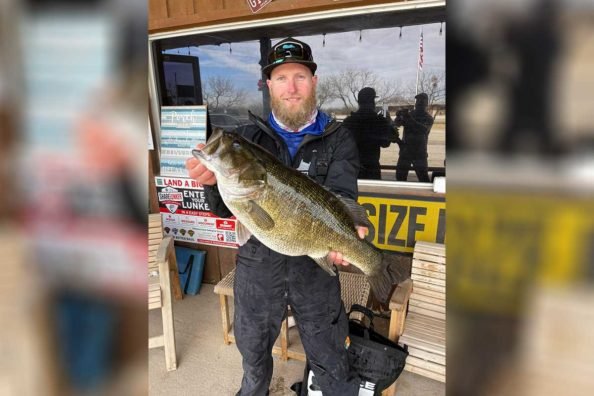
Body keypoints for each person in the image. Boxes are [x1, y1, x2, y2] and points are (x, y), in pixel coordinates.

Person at [186, 37, 366, 396]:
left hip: (315, 269)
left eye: (300, 76)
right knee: (253, 356)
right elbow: (223, 208)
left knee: (331, 358)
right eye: (281, 78)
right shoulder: (247, 137)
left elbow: (343, 198)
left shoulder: (339, 138)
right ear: (268, 85)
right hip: (257, 267)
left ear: (314, 82)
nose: (291, 87)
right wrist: (210, 183)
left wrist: (351, 238)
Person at [342, 87, 398, 179]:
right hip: (372, 168)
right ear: (372, 102)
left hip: (351, 168)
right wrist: (388, 124)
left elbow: (342, 146)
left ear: (359, 102)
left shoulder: (349, 122)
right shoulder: (379, 121)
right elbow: (386, 143)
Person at [394, 92, 434, 182]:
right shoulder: (409, 114)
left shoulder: (428, 118)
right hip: (405, 151)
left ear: (426, 104)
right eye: (418, 100)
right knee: (400, 178)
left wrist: (408, 117)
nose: (419, 102)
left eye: (422, 101)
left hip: (419, 153)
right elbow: (396, 124)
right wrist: (398, 117)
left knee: (423, 179)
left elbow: (423, 130)